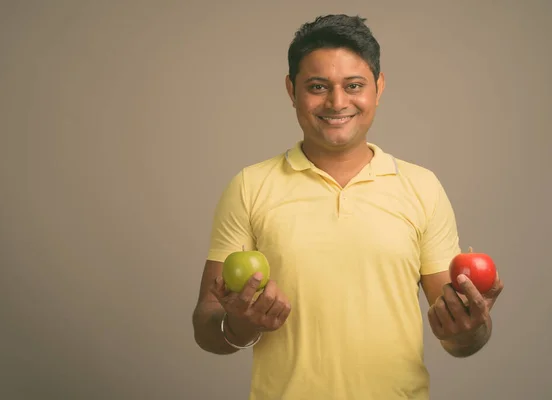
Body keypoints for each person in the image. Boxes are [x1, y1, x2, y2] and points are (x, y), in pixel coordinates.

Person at [191, 14, 504, 400]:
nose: (337, 102)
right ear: (291, 90)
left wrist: (472, 328)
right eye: (317, 86)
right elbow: (206, 325)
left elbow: (457, 337)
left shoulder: (422, 187)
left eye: (354, 85)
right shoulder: (249, 187)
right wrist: (240, 325)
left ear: (379, 87)